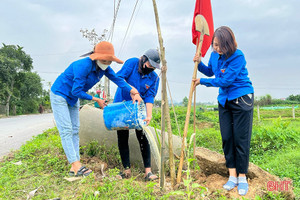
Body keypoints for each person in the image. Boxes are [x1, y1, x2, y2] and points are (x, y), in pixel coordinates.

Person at [50, 41, 142, 177]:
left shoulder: (104, 68)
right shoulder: (83, 66)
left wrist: (134, 91)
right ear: (96, 56)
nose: (107, 63)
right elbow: (76, 91)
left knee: (75, 130)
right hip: (60, 94)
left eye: (109, 61)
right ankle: (76, 165)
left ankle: (74, 166)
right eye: (104, 60)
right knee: (66, 130)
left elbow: (118, 80)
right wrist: (95, 99)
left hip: (72, 98)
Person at [193, 26, 254, 196]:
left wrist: (202, 81)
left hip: (241, 99)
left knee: (240, 139)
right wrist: (199, 64)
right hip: (224, 100)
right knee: (227, 138)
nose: (217, 49)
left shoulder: (238, 56)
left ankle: (242, 177)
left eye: (220, 45)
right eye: (214, 45)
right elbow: (211, 71)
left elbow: (226, 80)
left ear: (229, 44)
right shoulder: (214, 55)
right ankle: (232, 175)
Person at [113, 49, 160, 181]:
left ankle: (148, 172)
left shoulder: (154, 78)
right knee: (122, 136)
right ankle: (126, 170)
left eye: (153, 67)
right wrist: (133, 91)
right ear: (143, 59)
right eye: (149, 65)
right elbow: (119, 77)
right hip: (122, 106)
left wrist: (148, 115)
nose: (150, 68)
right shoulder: (132, 63)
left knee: (143, 136)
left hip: (139, 110)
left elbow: (150, 97)